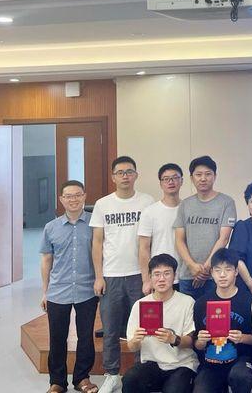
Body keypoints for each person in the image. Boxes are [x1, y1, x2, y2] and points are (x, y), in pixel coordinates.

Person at [91, 156, 155, 393]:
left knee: (142, 328)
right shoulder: (102, 204)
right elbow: (97, 243)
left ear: (136, 175)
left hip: (139, 276)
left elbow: (150, 240)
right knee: (111, 329)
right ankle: (111, 374)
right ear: (113, 177)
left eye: (129, 172)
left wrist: (148, 277)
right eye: (120, 172)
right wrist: (99, 276)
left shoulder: (147, 201)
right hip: (111, 276)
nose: (125, 176)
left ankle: (141, 372)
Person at [40, 180, 99, 393]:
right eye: (68, 196)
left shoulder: (95, 224)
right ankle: (57, 382)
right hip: (58, 291)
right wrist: (45, 292)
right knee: (57, 338)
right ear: (61, 199)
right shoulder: (51, 227)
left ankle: (82, 378)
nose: (73, 199)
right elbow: (46, 260)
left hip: (87, 290)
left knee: (86, 337)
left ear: (84, 196)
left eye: (77, 195)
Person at [123, 254, 198, 393]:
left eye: (167, 273)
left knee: (175, 390)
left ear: (174, 275)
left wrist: (174, 339)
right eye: (156, 274)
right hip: (152, 364)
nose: (161, 279)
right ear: (150, 277)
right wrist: (136, 340)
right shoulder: (140, 305)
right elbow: (131, 347)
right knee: (130, 379)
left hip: (181, 364)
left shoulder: (187, 302)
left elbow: (191, 341)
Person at [192, 248, 252, 393]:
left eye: (228, 269)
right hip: (211, 363)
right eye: (217, 270)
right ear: (212, 273)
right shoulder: (201, 303)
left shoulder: (250, 302)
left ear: (236, 272)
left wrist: (243, 338)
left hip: (241, 360)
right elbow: (196, 345)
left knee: (240, 376)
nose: (222, 275)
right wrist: (201, 341)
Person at [174, 156, 236, 299]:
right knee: (188, 313)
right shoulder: (185, 204)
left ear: (215, 176)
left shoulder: (226, 202)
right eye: (198, 174)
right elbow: (179, 240)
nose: (203, 178)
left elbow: (224, 238)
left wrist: (207, 268)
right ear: (191, 178)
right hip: (188, 275)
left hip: (216, 276)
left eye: (208, 174)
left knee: (215, 313)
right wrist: (192, 266)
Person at [139, 163, 185, 295]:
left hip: (186, 276)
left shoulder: (189, 208)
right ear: (160, 183)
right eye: (166, 179)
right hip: (160, 277)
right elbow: (144, 247)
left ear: (182, 181)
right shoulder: (150, 212)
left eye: (175, 178)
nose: (171, 182)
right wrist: (147, 280)